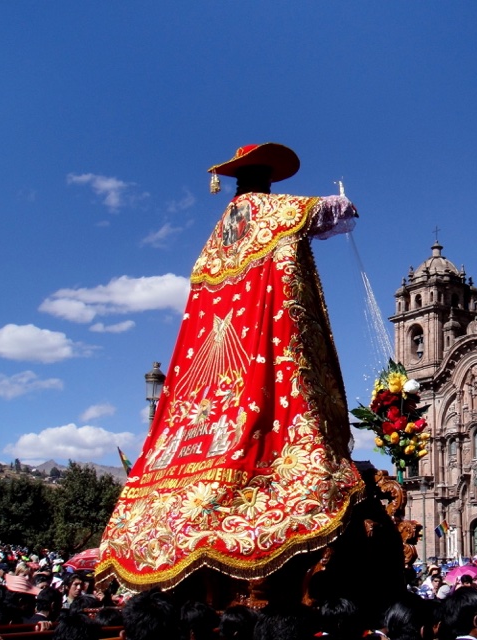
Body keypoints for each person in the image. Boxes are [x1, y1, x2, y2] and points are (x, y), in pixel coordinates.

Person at [97, 143, 364, 592]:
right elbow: (332, 211)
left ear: (235, 179)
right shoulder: (269, 210)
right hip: (260, 350)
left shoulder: (216, 238)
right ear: (269, 179)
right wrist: (343, 198)